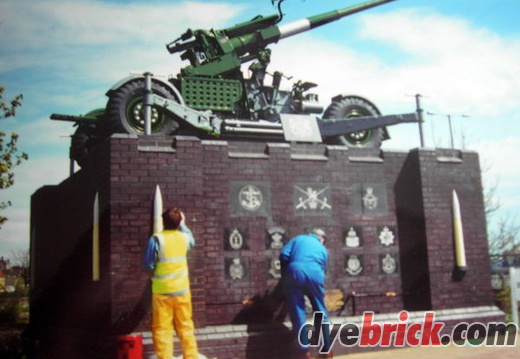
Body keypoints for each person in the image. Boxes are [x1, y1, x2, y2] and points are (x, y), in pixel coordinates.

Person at [144, 208, 199, 359]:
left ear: (163, 222)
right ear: (179, 221)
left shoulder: (156, 239)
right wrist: (183, 224)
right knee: (186, 326)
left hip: (161, 292)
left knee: (162, 329)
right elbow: (191, 240)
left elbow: (148, 265)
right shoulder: (184, 238)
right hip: (182, 291)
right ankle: (191, 356)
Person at [280, 228, 333, 359]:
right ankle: (326, 350)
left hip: (295, 272)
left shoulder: (298, 239)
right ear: (322, 239)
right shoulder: (323, 250)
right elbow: (322, 267)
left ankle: (304, 352)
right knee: (320, 310)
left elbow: (283, 255)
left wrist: (286, 272)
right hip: (315, 273)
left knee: (298, 311)